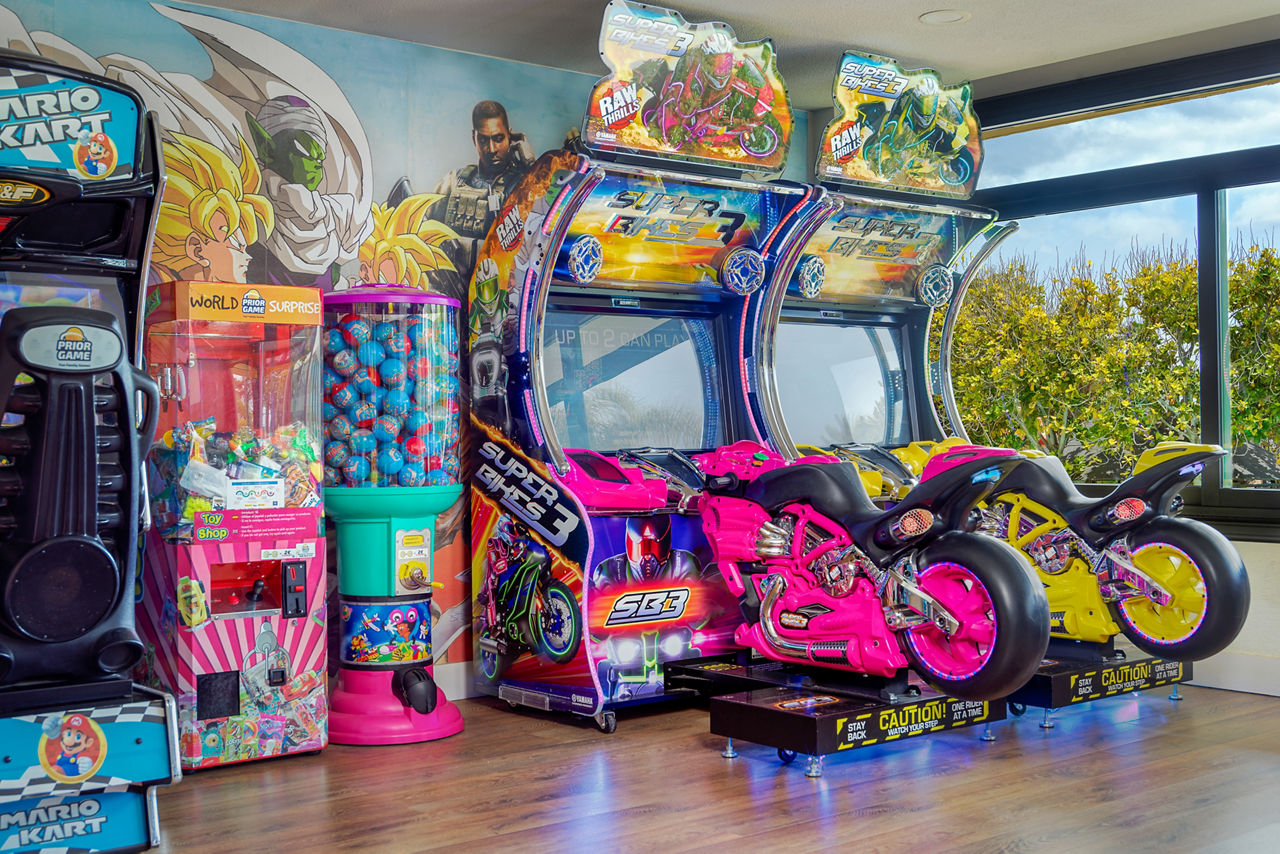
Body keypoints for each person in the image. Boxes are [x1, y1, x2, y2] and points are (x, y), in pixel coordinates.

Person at [152, 132, 274, 284]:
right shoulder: (152, 284)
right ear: (197, 250)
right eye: (238, 247)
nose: (248, 257)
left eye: (244, 249)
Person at [432, 100, 533, 274]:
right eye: (483, 139)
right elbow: (426, 234)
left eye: (498, 139)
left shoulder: (524, 185)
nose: (491, 149)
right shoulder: (452, 182)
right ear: (474, 138)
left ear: (510, 136)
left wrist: (532, 167)